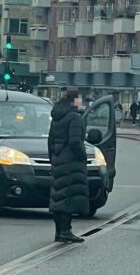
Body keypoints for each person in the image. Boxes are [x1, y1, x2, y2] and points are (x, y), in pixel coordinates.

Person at [47, 90, 88, 243]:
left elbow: (50, 141)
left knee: (58, 196)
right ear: (74, 100)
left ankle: (59, 232)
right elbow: (75, 141)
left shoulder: (56, 118)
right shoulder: (74, 118)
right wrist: (82, 156)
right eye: (79, 99)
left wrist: (53, 159)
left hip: (58, 160)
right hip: (71, 162)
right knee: (69, 197)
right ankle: (66, 231)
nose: (81, 102)